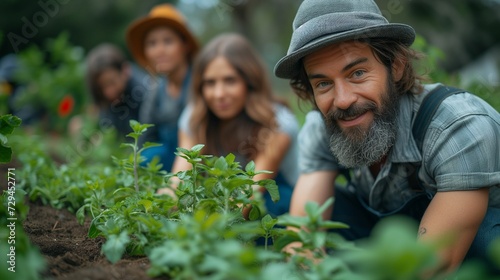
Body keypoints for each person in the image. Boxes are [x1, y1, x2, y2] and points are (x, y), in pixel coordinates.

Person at [274, 0, 500, 273]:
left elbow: (427, 270)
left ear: (396, 66)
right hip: (391, 241)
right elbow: (302, 241)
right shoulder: (321, 128)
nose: (343, 101)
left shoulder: (456, 125)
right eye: (323, 83)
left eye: (357, 73)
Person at [166, 33, 299, 217]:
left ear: (250, 82)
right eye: (210, 83)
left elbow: (248, 196)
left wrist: (200, 232)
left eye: (230, 80)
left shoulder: (278, 124)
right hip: (227, 199)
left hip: (277, 201)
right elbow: (177, 183)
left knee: (272, 204)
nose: (219, 94)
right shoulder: (195, 117)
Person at [126, 4, 199, 171]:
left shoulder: (201, 82)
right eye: (152, 43)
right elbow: (144, 137)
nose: (159, 51)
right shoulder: (155, 91)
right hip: (170, 159)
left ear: (185, 45)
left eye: (168, 41)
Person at [84, 43, 146, 137]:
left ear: (125, 71)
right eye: (101, 87)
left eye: (112, 83)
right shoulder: (109, 98)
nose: (108, 92)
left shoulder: (144, 92)